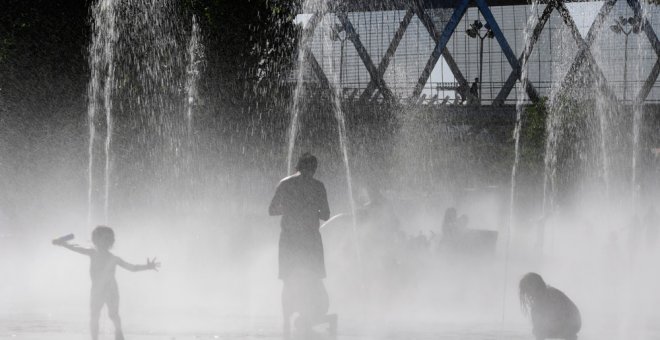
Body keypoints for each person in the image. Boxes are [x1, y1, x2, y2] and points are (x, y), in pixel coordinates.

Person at [269, 153, 336, 338]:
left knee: (287, 279)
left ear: (298, 166)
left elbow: (272, 210)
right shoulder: (318, 186)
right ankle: (309, 316)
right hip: (310, 240)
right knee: (313, 278)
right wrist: (309, 207)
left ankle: (287, 322)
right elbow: (326, 215)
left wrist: (291, 207)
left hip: (290, 239)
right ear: (314, 168)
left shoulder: (286, 183)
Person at [53, 226, 160, 340]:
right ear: (95, 240)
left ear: (111, 242)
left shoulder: (114, 258)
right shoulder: (92, 252)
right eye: (101, 239)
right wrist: (63, 244)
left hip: (111, 290)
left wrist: (147, 267)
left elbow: (132, 268)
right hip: (97, 291)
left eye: (107, 239)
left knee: (113, 314)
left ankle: (119, 333)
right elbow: (76, 248)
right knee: (94, 316)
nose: (104, 242)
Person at [519, 273, 581, 340]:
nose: (529, 295)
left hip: (571, 323)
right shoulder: (539, 302)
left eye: (529, 290)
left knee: (539, 330)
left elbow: (568, 313)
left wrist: (542, 328)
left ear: (537, 287)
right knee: (538, 329)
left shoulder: (552, 295)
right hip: (570, 324)